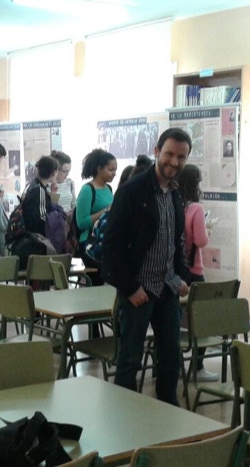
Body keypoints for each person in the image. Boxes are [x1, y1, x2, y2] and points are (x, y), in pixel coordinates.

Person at [102, 128, 192, 405]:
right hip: (137, 292)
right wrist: (130, 288)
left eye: (181, 157)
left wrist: (181, 276)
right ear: (156, 151)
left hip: (167, 289)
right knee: (130, 360)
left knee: (170, 359)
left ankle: (167, 415)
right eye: (169, 154)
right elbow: (111, 247)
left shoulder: (175, 193)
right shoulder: (132, 191)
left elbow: (176, 240)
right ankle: (126, 418)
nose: (174, 162)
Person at [177, 164, 218, 382]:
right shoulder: (196, 209)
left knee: (174, 319)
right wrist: (207, 229)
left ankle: (172, 366)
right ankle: (198, 367)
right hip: (194, 270)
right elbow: (201, 241)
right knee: (204, 318)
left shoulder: (173, 203)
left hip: (175, 270)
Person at [76, 148, 116, 285]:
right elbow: (81, 222)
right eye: (111, 170)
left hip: (105, 241)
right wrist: (105, 211)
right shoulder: (87, 190)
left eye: (115, 170)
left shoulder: (109, 189)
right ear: (99, 169)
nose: (114, 174)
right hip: (90, 244)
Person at [21, 155, 58, 237]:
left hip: (29, 234)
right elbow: (42, 219)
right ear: (54, 172)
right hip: (36, 237)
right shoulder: (39, 190)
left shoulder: (32, 184)